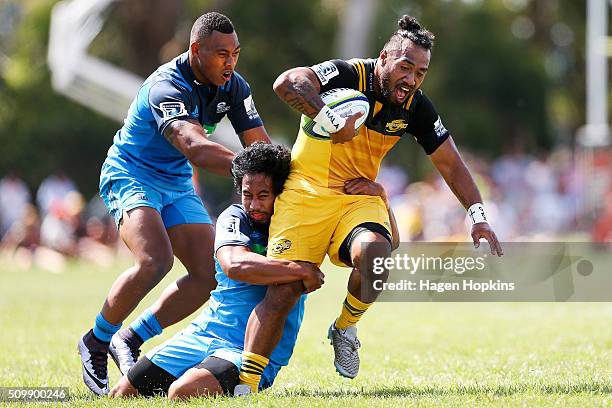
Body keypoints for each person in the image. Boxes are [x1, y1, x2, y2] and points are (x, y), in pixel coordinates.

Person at [234, 15, 503, 393]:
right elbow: (287, 82)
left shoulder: (415, 108)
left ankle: (345, 327)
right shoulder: (350, 74)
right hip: (304, 193)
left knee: (377, 253)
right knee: (284, 290)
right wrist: (327, 116)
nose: (411, 79)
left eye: (420, 72)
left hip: (356, 197)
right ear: (383, 58)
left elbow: (450, 163)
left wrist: (477, 215)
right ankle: (245, 387)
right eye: (405, 67)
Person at [78, 12, 270, 396]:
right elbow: (195, 148)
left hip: (176, 182)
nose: (230, 62)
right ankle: (97, 341)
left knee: (208, 273)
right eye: (221, 54)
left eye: (235, 53)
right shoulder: (166, 85)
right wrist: (253, 171)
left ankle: (130, 339)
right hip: (131, 173)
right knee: (155, 260)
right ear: (196, 50)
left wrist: (287, 175)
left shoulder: (234, 86)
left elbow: (260, 145)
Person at [108, 143, 326, 399]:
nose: (254, 204)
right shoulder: (234, 216)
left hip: (248, 348)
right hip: (205, 331)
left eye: (263, 195)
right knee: (123, 393)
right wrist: (298, 269)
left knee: (182, 392)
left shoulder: (297, 226)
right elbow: (234, 265)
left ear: (280, 192)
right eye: (247, 194)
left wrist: (376, 193)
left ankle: (247, 385)